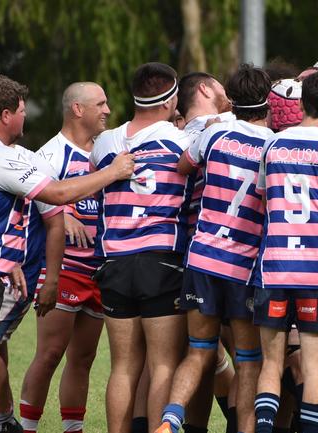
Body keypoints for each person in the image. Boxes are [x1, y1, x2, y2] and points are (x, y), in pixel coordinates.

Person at [0, 75, 134, 433]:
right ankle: (4, 423)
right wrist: (112, 173)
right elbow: (60, 196)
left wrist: (13, 258)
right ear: (5, 115)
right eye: (20, 111)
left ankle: (5, 424)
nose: (25, 118)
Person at [154, 64, 273, 433]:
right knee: (249, 359)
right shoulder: (273, 145)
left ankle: (171, 420)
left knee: (199, 351)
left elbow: (183, 166)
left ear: (231, 100)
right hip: (243, 264)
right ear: (267, 101)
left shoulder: (215, 134)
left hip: (203, 257)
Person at [89, 62, 193, 433]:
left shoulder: (104, 143)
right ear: (169, 100)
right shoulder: (183, 140)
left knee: (123, 366)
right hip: (161, 259)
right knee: (163, 364)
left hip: (114, 260)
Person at [252, 70, 318, 433]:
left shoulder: (271, 145)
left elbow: (263, 194)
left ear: (300, 103)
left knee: (271, 364)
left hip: (275, 264)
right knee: (314, 368)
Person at [19, 82, 111, 433]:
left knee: (84, 358)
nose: (107, 110)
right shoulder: (49, 155)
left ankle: (74, 428)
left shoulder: (107, 151)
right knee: (50, 353)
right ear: (77, 109)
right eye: (100, 104)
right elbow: (29, 204)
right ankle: (26, 426)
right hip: (64, 268)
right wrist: (62, 214)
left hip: (99, 270)